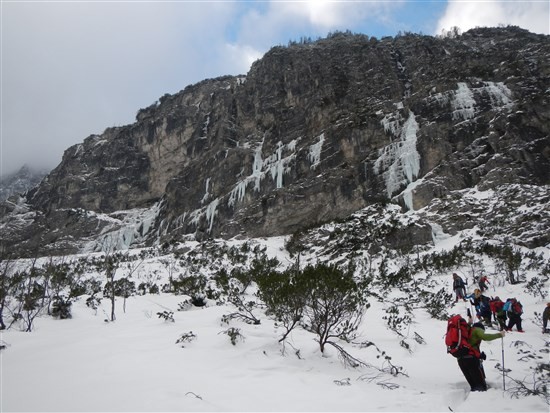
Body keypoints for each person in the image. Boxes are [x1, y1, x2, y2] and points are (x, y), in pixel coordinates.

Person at [457, 322, 505, 392]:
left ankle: (472, 399)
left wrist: (479, 355)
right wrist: (499, 335)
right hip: (471, 360)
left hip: (460, 360)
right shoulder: (476, 329)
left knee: (473, 385)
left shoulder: (464, 333)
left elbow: (469, 347)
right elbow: (485, 337)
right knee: (480, 387)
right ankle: (481, 399)